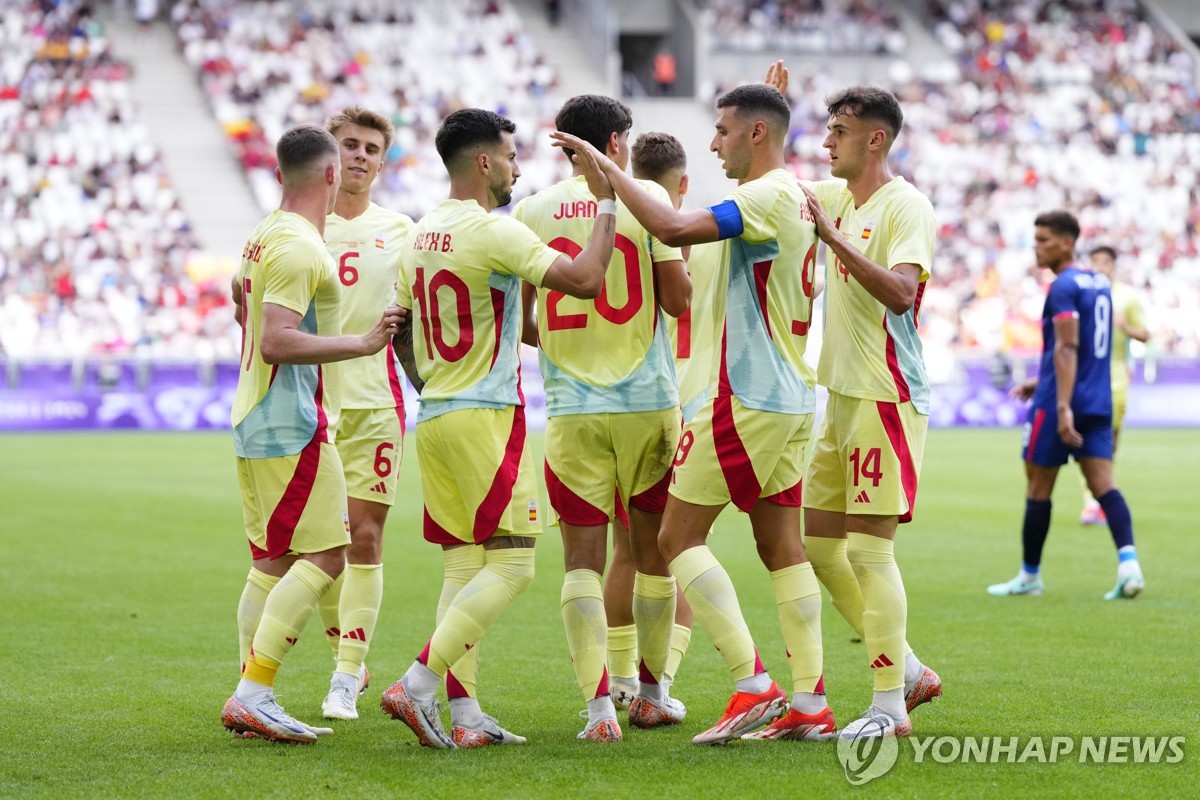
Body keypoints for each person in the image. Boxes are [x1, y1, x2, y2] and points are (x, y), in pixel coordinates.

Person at [551, 66, 832, 745]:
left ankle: (750, 683)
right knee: (779, 544)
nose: (713, 145)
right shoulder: (795, 193)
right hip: (793, 397)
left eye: (724, 130)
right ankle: (810, 701)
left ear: (757, 134)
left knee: (674, 540)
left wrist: (609, 171)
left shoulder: (764, 197)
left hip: (743, 399)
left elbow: (673, 230)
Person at [380, 108, 617, 749]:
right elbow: (587, 280)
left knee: (463, 567)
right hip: (484, 416)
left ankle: (465, 717)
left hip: (434, 417)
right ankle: (416, 684)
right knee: (515, 565)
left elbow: (398, 330)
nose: (517, 168)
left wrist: (431, 386)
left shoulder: (419, 234)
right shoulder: (494, 232)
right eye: (511, 156)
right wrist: (608, 205)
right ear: (485, 162)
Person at [515, 96, 691, 741]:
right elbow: (676, 300)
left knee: (582, 563)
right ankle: (652, 691)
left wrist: (563, 342)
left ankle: (598, 712)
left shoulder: (531, 211)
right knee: (652, 555)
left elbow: (524, 323)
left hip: (571, 410)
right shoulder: (645, 197)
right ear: (616, 142)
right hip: (647, 402)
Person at [221, 124, 404, 743]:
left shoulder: (263, 234)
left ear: (279, 173)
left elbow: (242, 308)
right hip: (288, 421)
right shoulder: (302, 246)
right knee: (328, 552)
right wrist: (362, 342)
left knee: (272, 560)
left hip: (252, 414)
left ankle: (253, 688)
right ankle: (255, 691)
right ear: (330, 175)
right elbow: (274, 338)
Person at [792, 79, 942, 740]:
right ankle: (904, 666)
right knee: (821, 545)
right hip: (841, 396)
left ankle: (889, 707)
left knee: (871, 554)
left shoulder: (906, 206)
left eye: (840, 130)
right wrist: (766, 115)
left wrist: (833, 241)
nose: (827, 140)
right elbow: (783, 190)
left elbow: (903, 294)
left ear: (874, 139)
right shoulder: (834, 196)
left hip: (886, 396)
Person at [604, 131, 715, 713]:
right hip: (685, 408)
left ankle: (622, 678)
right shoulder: (695, 239)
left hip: (624, 399)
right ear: (682, 184)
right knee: (681, 552)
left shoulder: (619, 228)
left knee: (625, 552)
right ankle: (659, 683)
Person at [315, 107, 415, 721]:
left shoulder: (401, 230)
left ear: (382, 161)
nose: (358, 155)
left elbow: (416, 321)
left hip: (377, 402)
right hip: (313, 402)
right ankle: (343, 650)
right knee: (317, 548)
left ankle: (346, 678)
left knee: (364, 538)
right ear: (330, 155)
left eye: (370, 148)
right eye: (348, 145)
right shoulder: (300, 227)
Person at [988, 212, 1145, 600]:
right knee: (1104, 485)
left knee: (1038, 488)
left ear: (1067, 242)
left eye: (1043, 240)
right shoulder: (1099, 283)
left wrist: (1060, 406)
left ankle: (1029, 576)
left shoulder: (1063, 286)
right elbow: (1090, 350)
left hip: (1059, 404)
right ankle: (1130, 567)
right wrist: (1040, 378)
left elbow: (1068, 346)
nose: (1037, 247)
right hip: (1098, 402)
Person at [1079, 245, 1149, 525]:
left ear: (1113, 265)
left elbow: (1145, 334)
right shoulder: (1082, 292)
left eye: (1105, 262)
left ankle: (1100, 495)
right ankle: (1091, 502)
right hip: (1088, 375)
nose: (1100, 267)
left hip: (1117, 377)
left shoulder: (1128, 297)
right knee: (1087, 438)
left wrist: (1124, 326)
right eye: (1095, 261)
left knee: (1110, 442)